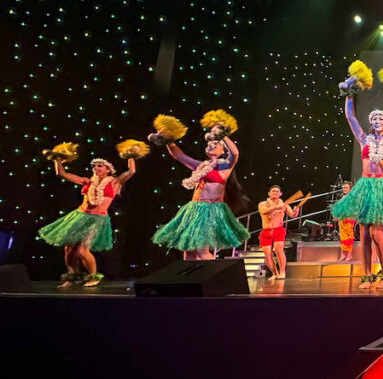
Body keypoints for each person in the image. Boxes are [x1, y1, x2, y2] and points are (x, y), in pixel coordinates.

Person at [331, 64, 383, 289]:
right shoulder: (364, 139)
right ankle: (367, 275)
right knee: (365, 234)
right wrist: (349, 94)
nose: (377, 121)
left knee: (377, 232)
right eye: (374, 119)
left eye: (381, 119)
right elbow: (350, 116)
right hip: (366, 185)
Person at [152, 122, 249, 260]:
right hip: (193, 208)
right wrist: (169, 142)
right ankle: (190, 280)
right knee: (188, 250)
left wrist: (223, 136)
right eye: (208, 144)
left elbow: (235, 153)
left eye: (215, 144)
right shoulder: (200, 166)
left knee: (201, 250)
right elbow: (179, 156)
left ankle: (212, 279)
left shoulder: (224, 166)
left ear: (222, 150)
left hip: (209, 209)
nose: (210, 145)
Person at [39, 152, 136, 287]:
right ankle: (72, 277)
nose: (95, 168)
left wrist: (131, 155)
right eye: (94, 166)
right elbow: (62, 173)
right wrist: (57, 159)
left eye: (100, 166)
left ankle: (93, 276)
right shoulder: (87, 181)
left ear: (108, 169)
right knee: (68, 249)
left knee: (82, 249)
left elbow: (131, 172)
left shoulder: (114, 182)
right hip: (79, 216)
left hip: (97, 219)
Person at [258, 185, 299, 279]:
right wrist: (277, 208)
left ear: (280, 194)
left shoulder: (284, 205)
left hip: (278, 230)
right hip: (266, 231)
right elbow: (264, 212)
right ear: (269, 193)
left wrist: (296, 211)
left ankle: (282, 272)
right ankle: (274, 273)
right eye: (273, 191)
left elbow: (292, 215)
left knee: (278, 249)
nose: (275, 193)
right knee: (267, 254)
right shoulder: (263, 204)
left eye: (277, 191)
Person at [336, 181, 355, 261]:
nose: (344, 189)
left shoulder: (352, 197)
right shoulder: (343, 198)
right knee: (342, 236)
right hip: (342, 220)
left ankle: (349, 254)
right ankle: (343, 254)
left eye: (346, 187)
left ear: (350, 189)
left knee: (348, 236)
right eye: (343, 187)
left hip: (349, 219)